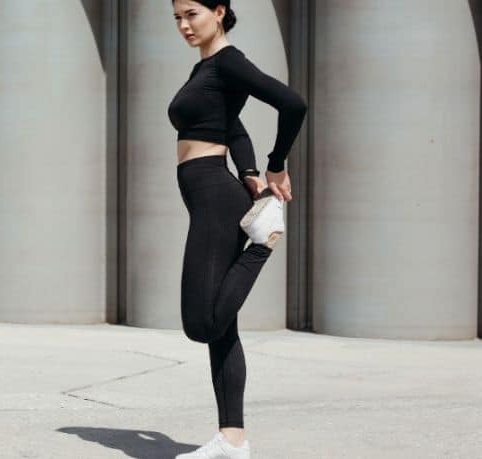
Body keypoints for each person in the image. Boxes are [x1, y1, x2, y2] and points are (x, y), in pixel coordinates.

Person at [167, 0, 308, 457]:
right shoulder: (205, 69)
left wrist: (276, 166)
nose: (185, 25)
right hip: (209, 194)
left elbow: (292, 103)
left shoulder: (228, 61)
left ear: (220, 11)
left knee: (202, 323)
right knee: (223, 327)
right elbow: (233, 124)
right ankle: (232, 439)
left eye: (192, 13)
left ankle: (262, 245)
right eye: (177, 18)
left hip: (214, 197)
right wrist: (248, 171)